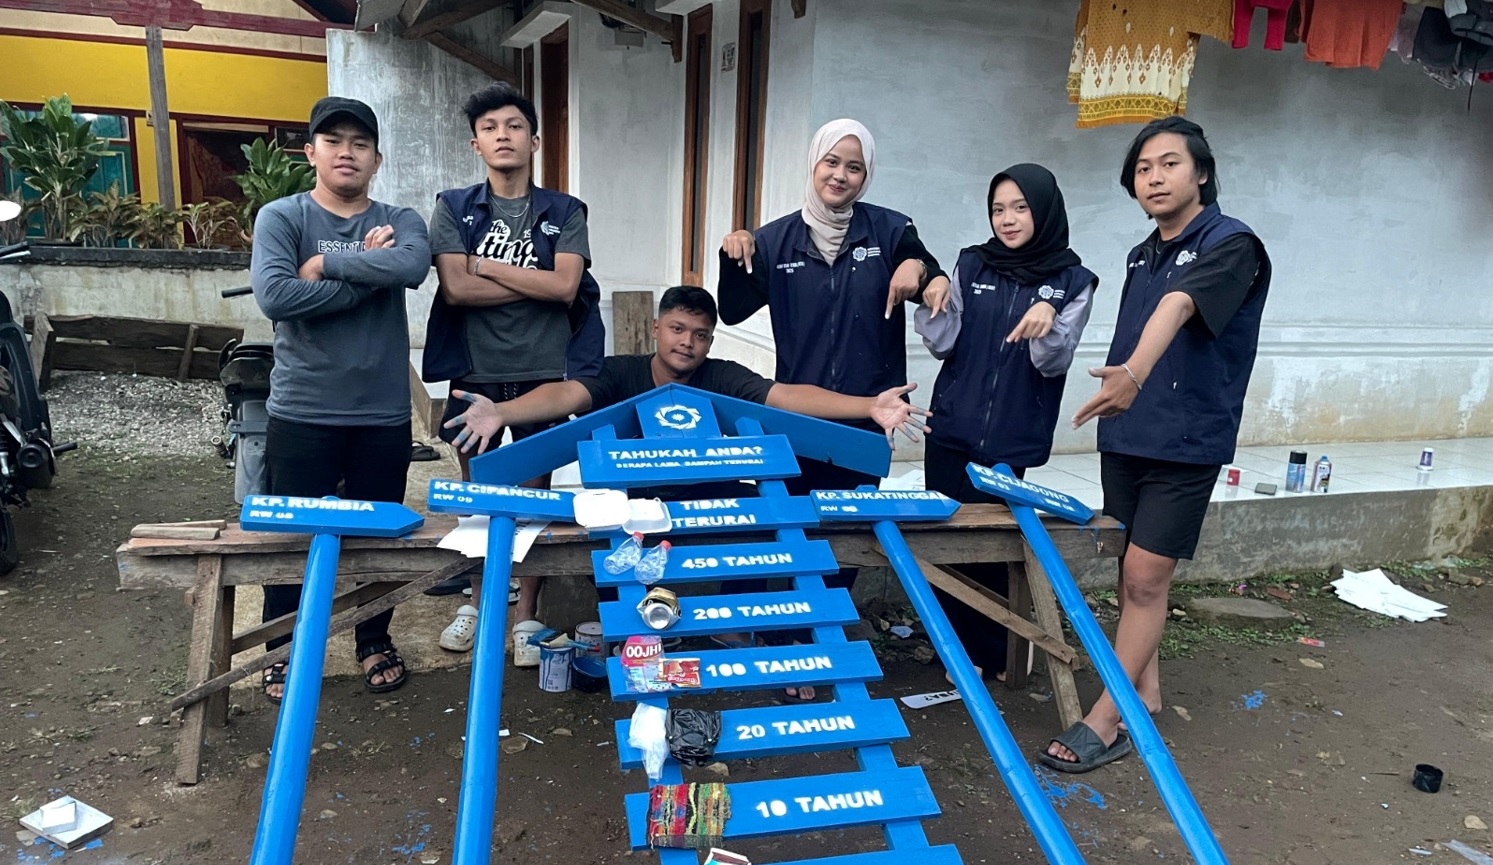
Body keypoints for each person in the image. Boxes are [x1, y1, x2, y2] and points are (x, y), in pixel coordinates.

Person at [442, 286, 929, 681]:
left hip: (706, 495)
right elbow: (567, 394)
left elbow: (784, 398)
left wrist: (867, 406)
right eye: (677, 329)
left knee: (767, 513)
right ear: (656, 327)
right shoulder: (621, 372)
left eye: (700, 334)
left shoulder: (722, 376)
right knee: (597, 523)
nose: (687, 342)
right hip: (636, 500)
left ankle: (735, 625)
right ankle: (632, 630)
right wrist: (503, 412)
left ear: (710, 341)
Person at [1042, 117, 1271, 773]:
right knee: (1130, 570)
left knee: (1145, 576)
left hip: (1186, 438)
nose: (1154, 177)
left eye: (1169, 163)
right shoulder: (1142, 254)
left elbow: (1177, 308)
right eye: (1143, 169)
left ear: (1202, 172)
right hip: (1130, 433)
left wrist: (1132, 375)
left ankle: (1106, 718)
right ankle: (1145, 690)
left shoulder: (1232, 244)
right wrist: (1125, 392)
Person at [717, 118, 949, 602]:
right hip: (798, 413)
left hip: (870, 413)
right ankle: (776, 619)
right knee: (790, 520)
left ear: (867, 175)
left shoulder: (891, 230)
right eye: (831, 162)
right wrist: (733, 252)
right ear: (814, 163)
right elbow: (732, 310)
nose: (840, 175)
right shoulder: (775, 240)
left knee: (847, 533)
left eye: (854, 167)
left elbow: (928, 273)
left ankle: (819, 623)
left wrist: (923, 269)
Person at [250, 96, 432, 702]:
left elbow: (411, 267)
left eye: (360, 143)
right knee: (291, 538)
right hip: (302, 409)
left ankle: (372, 639)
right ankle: (283, 649)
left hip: (382, 413)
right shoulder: (282, 216)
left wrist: (325, 265)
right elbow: (277, 297)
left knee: (378, 540)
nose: (346, 152)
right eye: (333, 141)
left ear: (377, 158)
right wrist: (367, 273)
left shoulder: (401, 217)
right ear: (311, 152)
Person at [421, 82, 604, 630]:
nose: (503, 135)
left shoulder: (565, 211)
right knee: (477, 498)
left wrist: (485, 266)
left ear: (534, 141)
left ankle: (525, 614)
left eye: (515, 126)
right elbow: (456, 290)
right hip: (471, 371)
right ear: (475, 143)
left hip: (542, 373)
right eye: (490, 128)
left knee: (533, 505)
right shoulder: (453, 207)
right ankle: (478, 603)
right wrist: (534, 282)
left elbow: (566, 287)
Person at [914, 163, 1097, 685]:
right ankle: (952, 648)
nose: (1008, 219)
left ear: (1045, 212)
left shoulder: (1073, 281)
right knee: (941, 539)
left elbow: (1053, 363)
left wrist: (1047, 319)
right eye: (998, 209)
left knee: (993, 548)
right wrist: (932, 299)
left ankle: (997, 652)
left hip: (1010, 438)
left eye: (1020, 208)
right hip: (951, 426)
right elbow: (944, 342)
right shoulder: (972, 263)